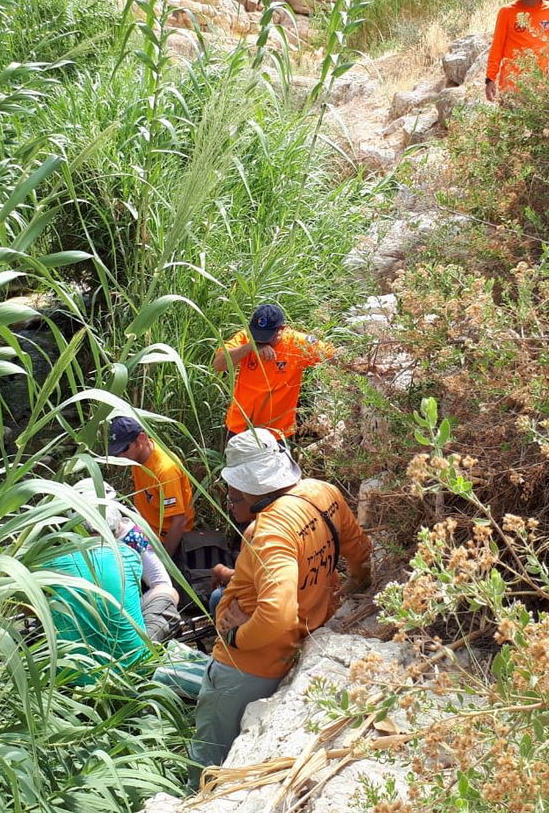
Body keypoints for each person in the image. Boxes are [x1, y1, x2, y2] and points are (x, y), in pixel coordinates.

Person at [189, 429, 372, 785]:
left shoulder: (270, 530)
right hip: (304, 634)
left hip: (250, 664)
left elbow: (276, 615)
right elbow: (360, 552)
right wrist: (353, 590)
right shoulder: (323, 494)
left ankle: (196, 797)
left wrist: (236, 635)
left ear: (245, 485)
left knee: (209, 751)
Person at [42, 483, 209, 697]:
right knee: (167, 593)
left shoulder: (52, 561)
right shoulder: (127, 554)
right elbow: (161, 583)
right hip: (131, 664)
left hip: (73, 674)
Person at [71, 476, 182, 642]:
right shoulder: (71, 539)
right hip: (87, 610)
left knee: (167, 592)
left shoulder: (131, 537)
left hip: (129, 608)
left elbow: (160, 582)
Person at [213, 303, 334, 441]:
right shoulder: (246, 338)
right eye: (256, 335)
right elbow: (219, 364)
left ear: (281, 329)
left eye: (265, 337)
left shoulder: (298, 343)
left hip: (277, 433)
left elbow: (335, 357)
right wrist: (250, 347)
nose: (260, 339)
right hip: (240, 426)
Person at [107, 415, 195, 557]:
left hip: (165, 539)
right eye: (117, 452)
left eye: (124, 449)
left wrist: (166, 561)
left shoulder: (165, 471)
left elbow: (179, 521)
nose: (120, 456)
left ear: (141, 438)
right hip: (145, 530)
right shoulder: (136, 457)